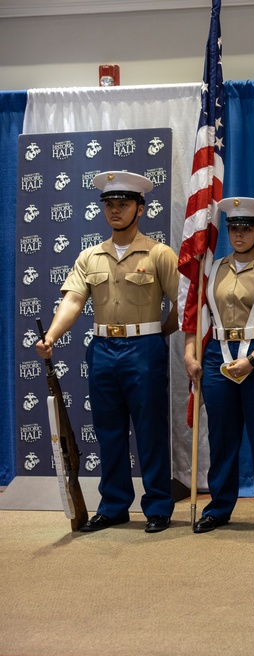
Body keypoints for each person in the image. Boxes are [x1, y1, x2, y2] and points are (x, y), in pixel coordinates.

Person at [36, 170, 178, 533]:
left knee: (150, 430)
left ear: (140, 208)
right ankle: (114, 504)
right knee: (108, 431)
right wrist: (51, 335)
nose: (115, 210)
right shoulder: (90, 257)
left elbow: (185, 304)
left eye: (123, 204)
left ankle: (158, 505)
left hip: (143, 348)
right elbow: (73, 300)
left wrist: (160, 332)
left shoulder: (160, 254)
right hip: (102, 349)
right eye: (109, 204)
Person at [184, 197, 254, 535]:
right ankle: (218, 508)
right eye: (233, 227)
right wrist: (190, 352)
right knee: (221, 437)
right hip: (218, 356)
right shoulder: (210, 269)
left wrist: (252, 360)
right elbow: (195, 316)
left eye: (247, 228)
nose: (239, 233)